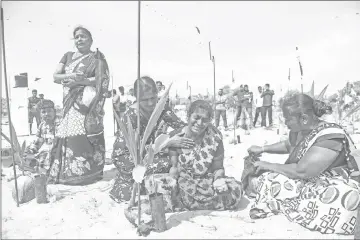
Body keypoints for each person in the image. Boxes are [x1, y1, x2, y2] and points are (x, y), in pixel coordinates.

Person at [246, 94, 360, 235]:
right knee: (268, 178)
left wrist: (268, 164)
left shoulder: (330, 134)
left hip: (335, 180)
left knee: (341, 197)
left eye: (288, 118)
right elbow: (289, 145)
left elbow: (303, 171)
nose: (285, 122)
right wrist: (263, 149)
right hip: (309, 180)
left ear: (304, 119)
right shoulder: (300, 131)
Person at [110, 76, 194, 203]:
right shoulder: (131, 117)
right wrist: (166, 143)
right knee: (170, 167)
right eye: (145, 100)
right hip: (132, 161)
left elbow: (182, 127)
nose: (150, 103)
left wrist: (172, 137)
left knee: (184, 162)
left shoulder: (161, 108)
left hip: (152, 154)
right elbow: (119, 156)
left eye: (153, 98)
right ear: (136, 98)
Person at [51, 26, 110, 185]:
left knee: (82, 133)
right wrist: (72, 75)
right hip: (69, 100)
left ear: (91, 40)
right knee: (67, 132)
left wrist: (82, 81)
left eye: (83, 36)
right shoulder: (67, 56)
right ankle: (66, 174)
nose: (79, 40)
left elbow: (101, 80)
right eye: (76, 37)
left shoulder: (96, 58)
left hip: (85, 103)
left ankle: (88, 174)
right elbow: (55, 76)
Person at [167, 100, 243, 210]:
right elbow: (174, 167)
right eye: (196, 117)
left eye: (205, 120)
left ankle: (184, 204)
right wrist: (172, 179)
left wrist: (219, 180)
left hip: (206, 183)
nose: (199, 123)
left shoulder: (215, 138)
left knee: (235, 188)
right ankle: (192, 202)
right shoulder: (176, 136)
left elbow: (218, 168)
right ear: (188, 116)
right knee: (157, 184)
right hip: (183, 183)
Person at [22, 99, 57, 173]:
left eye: (49, 111)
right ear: (40, 114)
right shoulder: (42, 125)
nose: (46, 114)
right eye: (43, 112)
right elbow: (39, 140)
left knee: (44, 158)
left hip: (57, 150)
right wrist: (31, 150)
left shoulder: (59, 125)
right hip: (45, 149)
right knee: (27, 153)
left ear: (55, 112)